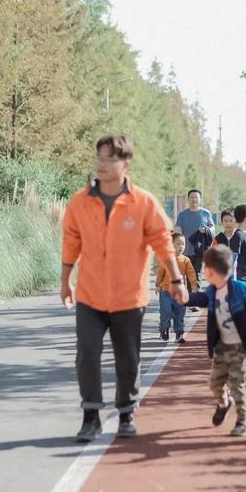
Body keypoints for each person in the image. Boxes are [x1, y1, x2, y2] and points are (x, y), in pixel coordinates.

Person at [61, 134, 183, 442]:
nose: (101, 164)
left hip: (129, 297)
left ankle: (126, 413)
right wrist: (65, 282)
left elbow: (163, 243)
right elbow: (71, 242)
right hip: (90, 295)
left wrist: (176, 280)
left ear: (125, 164)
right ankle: (91, 416)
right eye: (99, 158)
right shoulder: (80, 202)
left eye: (109, 159)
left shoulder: (143, 202)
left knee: (127, 357)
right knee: (87, 353)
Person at [177, 244, 246, 437]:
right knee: (215, 383)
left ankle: (242, 422)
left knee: (237, 384)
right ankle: (224, 403)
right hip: (221, 347)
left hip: (241, 346)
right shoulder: (212, 291)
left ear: (212, 271)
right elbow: (199, 299)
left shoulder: (240, 289)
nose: (205, 272)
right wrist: (185, 298)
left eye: (206, 269)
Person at [156, 230, 198, 344]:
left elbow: (191, 273)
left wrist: (194, 284)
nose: (181, 246)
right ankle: (164, 329)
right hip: (166, 291)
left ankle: (179, 333)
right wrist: (158, 285)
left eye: (183, 244)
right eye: (178, 244)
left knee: (180, 313)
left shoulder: (185, 260)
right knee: (165, 311)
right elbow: (160, 273)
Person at [175, 189, 215, 279]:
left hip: (199, 250)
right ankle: (189, 288)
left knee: (196, 275)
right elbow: (178, 228)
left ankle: (195, 288)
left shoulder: (206, 213)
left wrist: (206, 230)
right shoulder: (182, 214)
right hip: (185, 249)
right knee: (185, 276)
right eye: (191, 197)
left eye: (196, 197)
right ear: (188, 199)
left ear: (200, 199)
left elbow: (212, 229)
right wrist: (176, 234)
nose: (194, 199)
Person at [213, 205, 246, 286]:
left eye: (230, 220)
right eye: (225, 221)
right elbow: (233, 260)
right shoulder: (237, 236)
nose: (228, 223)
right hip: (240, 280)